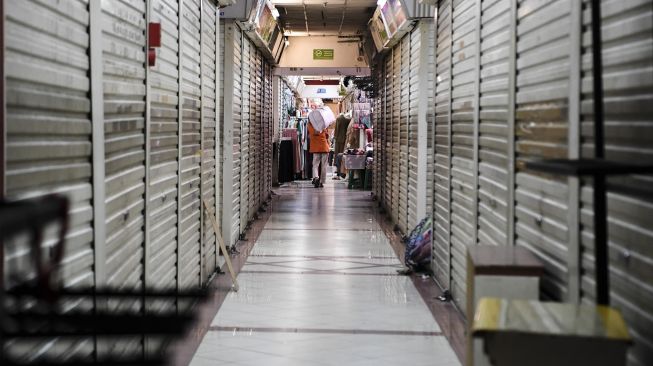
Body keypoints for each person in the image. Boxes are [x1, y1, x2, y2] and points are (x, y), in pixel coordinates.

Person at [308, 122, 330, 188]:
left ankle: (316, 177)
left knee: (315, 164)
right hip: (324, 147)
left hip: (315, 148)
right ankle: (321, 182)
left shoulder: (310, 125)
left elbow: (309, 135)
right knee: (324, 166)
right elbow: (327, 136)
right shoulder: (323, 125)